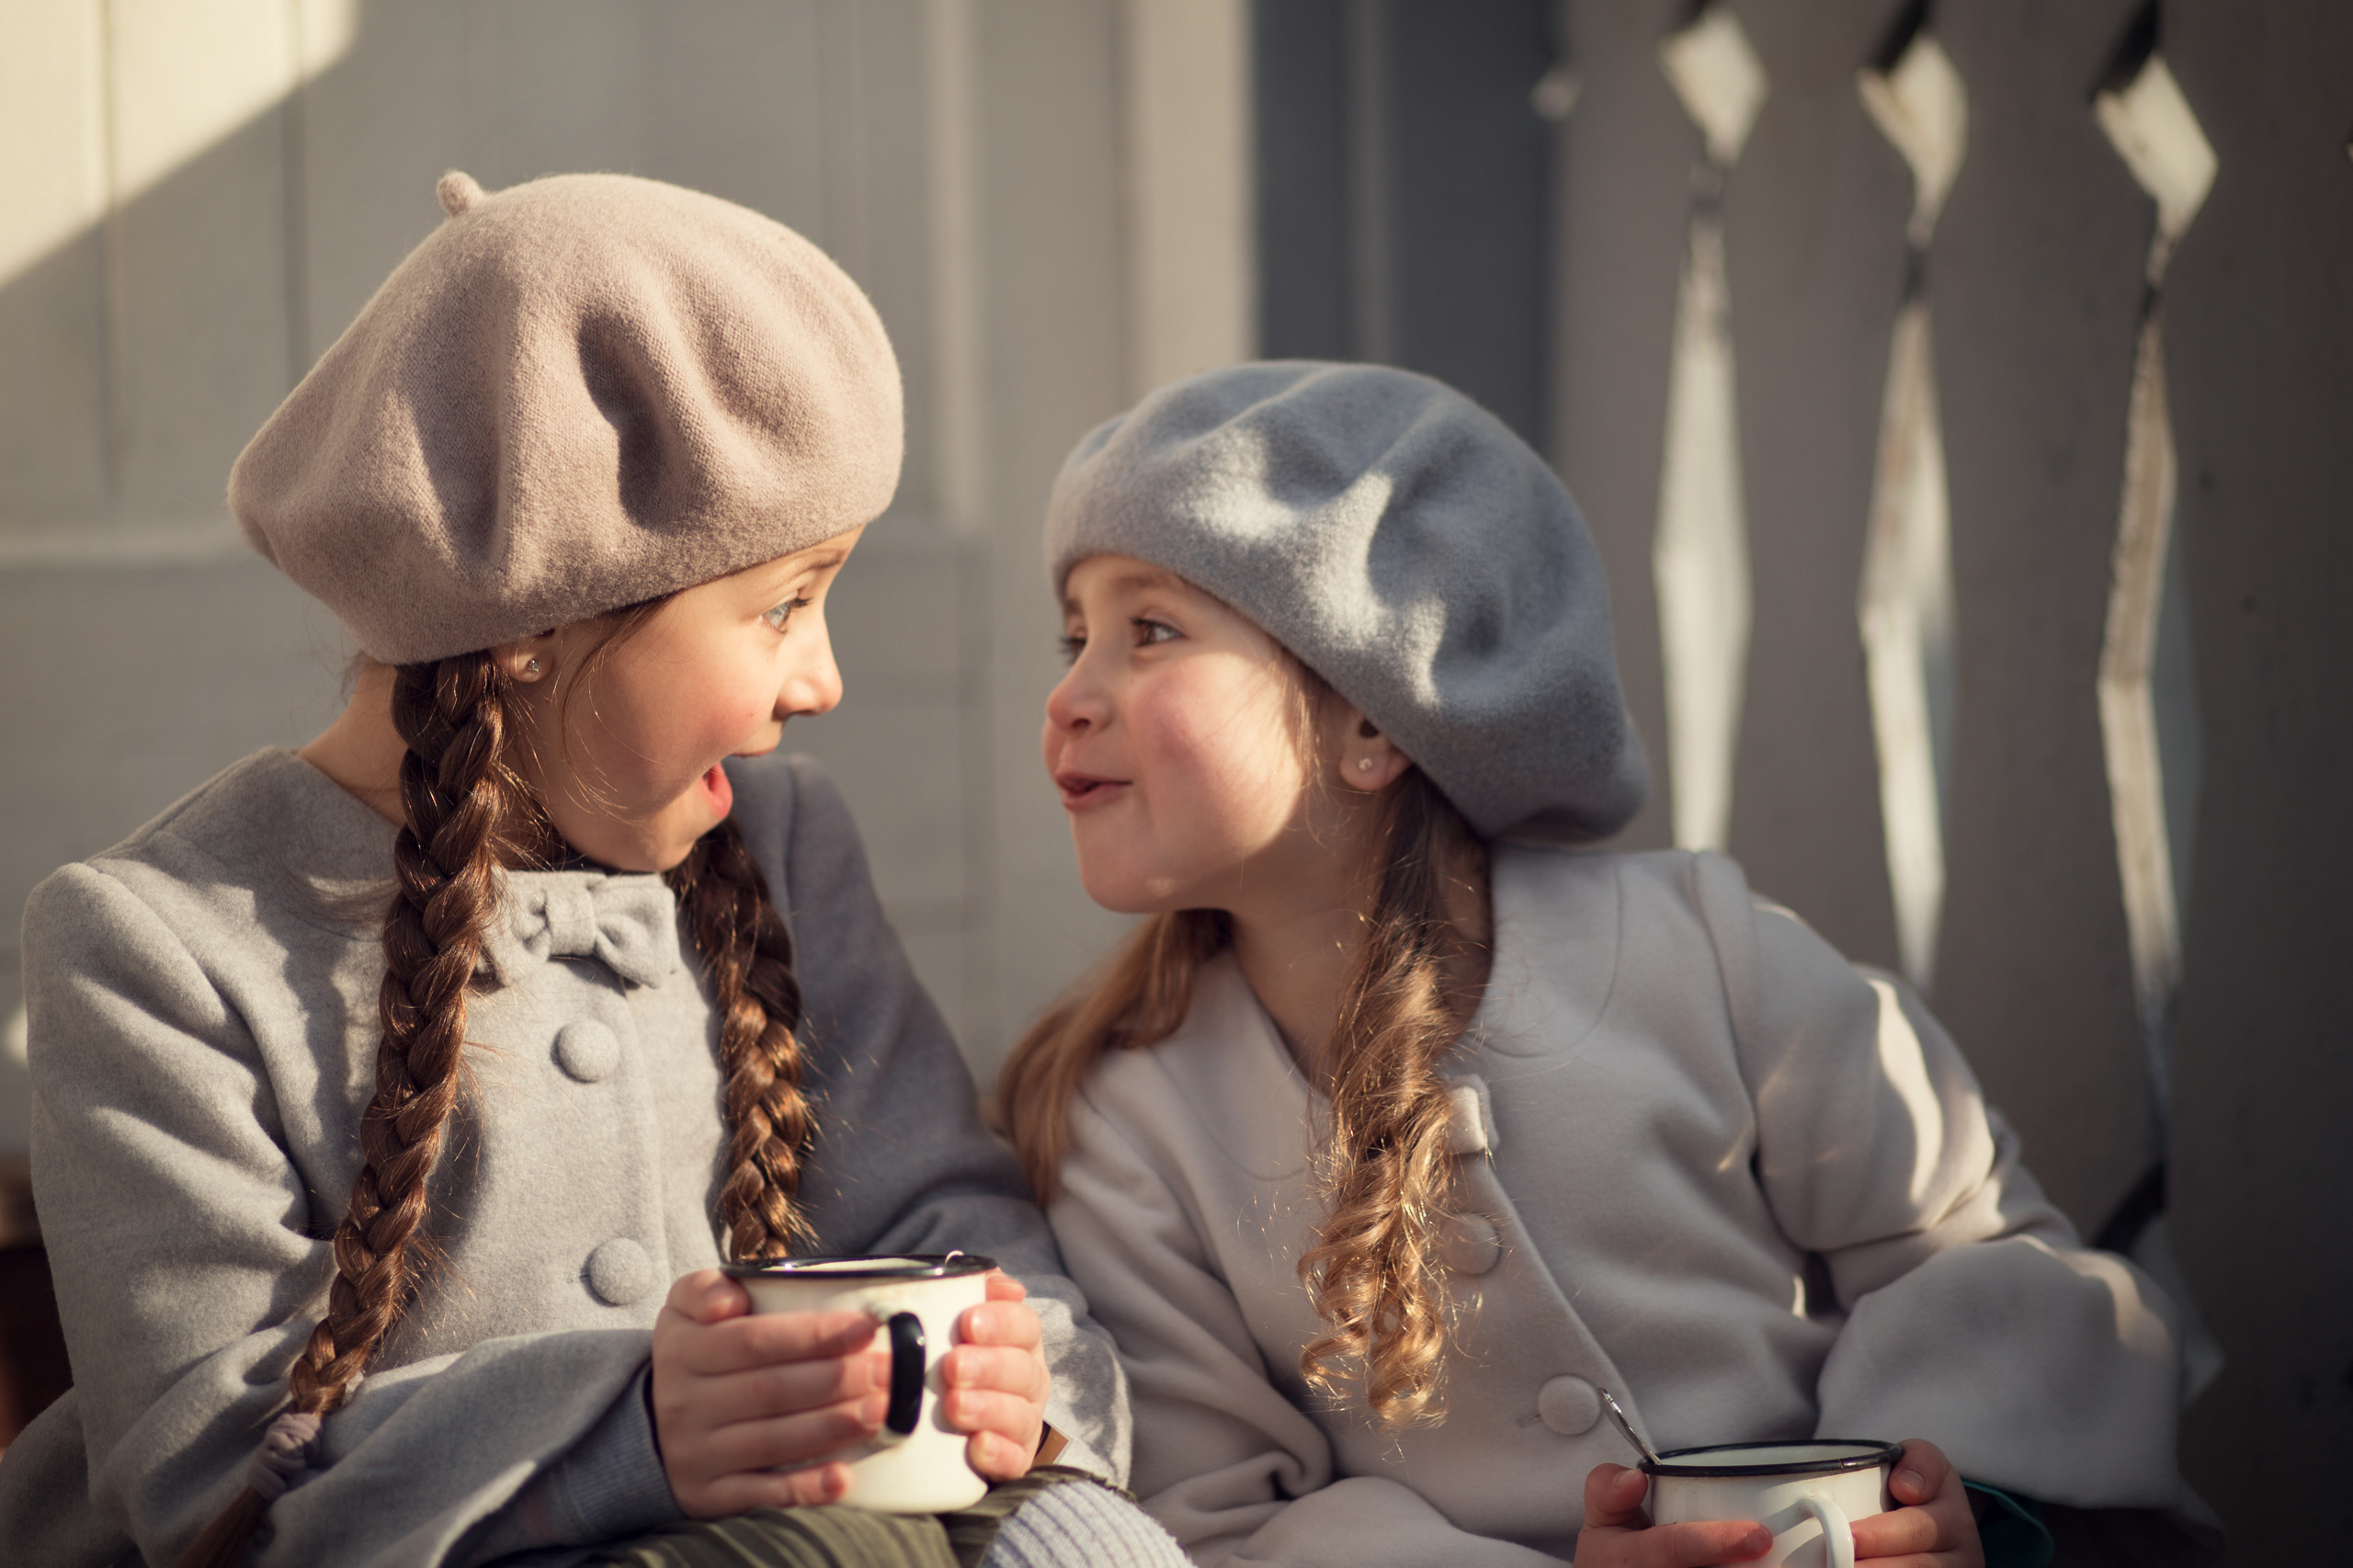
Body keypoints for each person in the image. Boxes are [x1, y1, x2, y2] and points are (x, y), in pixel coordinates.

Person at [0, 171, 1184, 1568]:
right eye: (783, 603)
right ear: (531, 621)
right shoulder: (157, 952)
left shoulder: (785, 852)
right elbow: (207, 1461)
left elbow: (937, 1200)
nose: (826, 676)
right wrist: (632, 1421)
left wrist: (1009, 1359)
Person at [999, 361, 2216, 1567]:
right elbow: (1226, 1515)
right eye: (1074, 636)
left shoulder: (1706, 951)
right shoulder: (1131, 1115)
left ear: (1376, 714)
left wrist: (1946, 1499)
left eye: (1148, 631)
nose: (1067, 695)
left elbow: (1986, 1263)